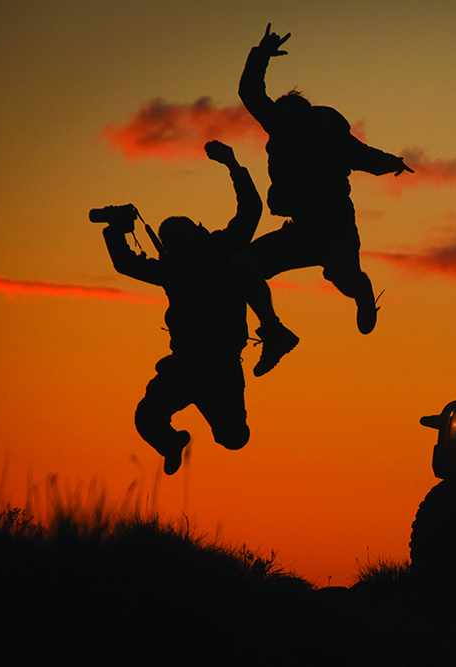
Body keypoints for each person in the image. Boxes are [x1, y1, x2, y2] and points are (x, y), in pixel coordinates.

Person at [234, 23, 414, 377]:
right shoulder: (279, 125)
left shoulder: (329, 138)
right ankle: (275, 332)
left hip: (334, 227)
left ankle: (361, 292)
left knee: (341, 275)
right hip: (300, 230)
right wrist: (261, 56)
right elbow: (251, 94)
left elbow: (362, 156)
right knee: (242, 266)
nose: (280, 128)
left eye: (287, 122)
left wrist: (390, 162)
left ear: (303, 119)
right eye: (278, 122)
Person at [100, 141, 262, 474]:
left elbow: (249, 212)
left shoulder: (214, 253)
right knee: (149, 419)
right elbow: (250, 211)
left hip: (214, 364)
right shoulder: (196, 259)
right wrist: (233, 166)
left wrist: (116, 230)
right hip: (193, 364)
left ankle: (174, 440)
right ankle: (173, 443)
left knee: (232, 437)